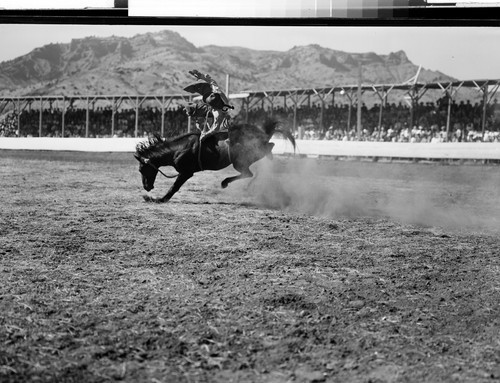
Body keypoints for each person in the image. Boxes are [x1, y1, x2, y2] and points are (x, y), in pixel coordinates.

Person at [183, 70, 234, 141]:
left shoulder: (218, 113)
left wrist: (204, 136)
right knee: (190, 107)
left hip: (223, 130)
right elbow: (211, 80)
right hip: (221, 114)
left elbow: (215, 129)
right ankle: (192, 111)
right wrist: (200, 75)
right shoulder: (216, 91)